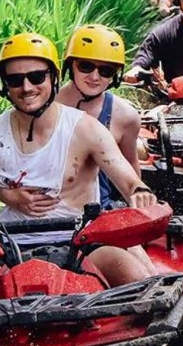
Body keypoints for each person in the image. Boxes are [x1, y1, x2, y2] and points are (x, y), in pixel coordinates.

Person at [0, 33, 158, 300]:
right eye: (15, 80)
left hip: (82, 240)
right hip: (9, 242)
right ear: (5, 85)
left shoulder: (85, 128)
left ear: (52, 78)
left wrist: (139, 192)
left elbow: (127, 178)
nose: (27, 87)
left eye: (36, 77)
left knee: (141, 282)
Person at [54, 24, 142, 208]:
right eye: (86, 66)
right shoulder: (47, 106)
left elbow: (131, 171)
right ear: (71, 65)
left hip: (99, 211)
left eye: (105, 71)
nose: (95, 77)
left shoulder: (125, 116)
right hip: (46, 209)